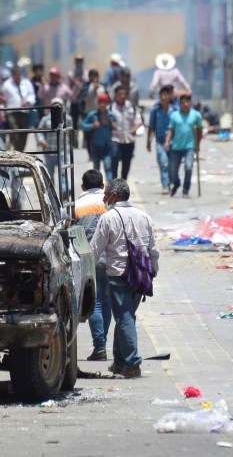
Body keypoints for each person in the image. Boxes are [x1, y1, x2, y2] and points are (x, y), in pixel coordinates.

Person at [89, 179, 160, 378]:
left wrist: (87, 269)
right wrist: (153, 270)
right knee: (126, 317)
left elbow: (95, 249)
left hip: (118, 275)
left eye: (106, 194)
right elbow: (153, 249)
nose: (104, 198)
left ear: (114, 195)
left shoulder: (108, 218)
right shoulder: (144, 217)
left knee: (124, 318)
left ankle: (132, 363)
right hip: (140, 276)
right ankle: (119, 362)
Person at [75, 170, 110, 361]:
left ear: (83, 187)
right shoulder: (109, 204)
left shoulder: (77, 205)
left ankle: (100, 346)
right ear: (103, 186)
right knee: (106, 301)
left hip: (88, 259)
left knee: (94, 303)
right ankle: (102, 343)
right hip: (111, 260)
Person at [165, 93, 203, 197]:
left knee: (189, 167)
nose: (185, 104)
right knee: (172, 171)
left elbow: (199, 131)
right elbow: (171, 130)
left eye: (187, 102)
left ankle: (186, 189)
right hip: (176, 147)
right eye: (183, 102)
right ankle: (176, 183)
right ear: (180, 103)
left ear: (190, 103)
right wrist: (167, 141)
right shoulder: (174, 116)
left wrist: (198, 144)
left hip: (189, 147)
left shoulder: (196, 115)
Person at [36, 98, 72, 194]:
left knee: (63, 173)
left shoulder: (67, 119)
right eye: (54, 105)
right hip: (49, 150)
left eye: (59, 106)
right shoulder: (45, 119)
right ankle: (51, 193)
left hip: (62, 150)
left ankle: (64, 192)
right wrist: (41, 139)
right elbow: (39, 131)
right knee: (49, 174)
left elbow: (70, 131)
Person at [81, 93, 117, 180]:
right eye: (100, 102)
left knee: (108, 166)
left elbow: (116, 128)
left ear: (107, 103)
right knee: (96, 168)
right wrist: (92, 126)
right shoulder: (92, 115)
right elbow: (83, 125)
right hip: (95, 145)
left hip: (107, 146)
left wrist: (113, 126)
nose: (102, 105)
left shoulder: (111, 116)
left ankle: (110, 188)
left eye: (104, 102)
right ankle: (96, 187)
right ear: (98, 103)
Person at [147, 85, 175, 194]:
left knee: (172, 165)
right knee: (163, 163)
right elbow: (151, 126)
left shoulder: (175, 111)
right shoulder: (155, 110)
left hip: (174, 142)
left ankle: (170, 181)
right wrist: (148, 142)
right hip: (160, 142)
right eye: (162, 95)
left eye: (166, 95)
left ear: (170, 96)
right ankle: (165, 185)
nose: (164, 97)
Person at [110, 85, 140, 180]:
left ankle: (123, 182)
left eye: (124, 94)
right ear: (116, 95)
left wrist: (135, 128)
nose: (122, 96)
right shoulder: (111, 108)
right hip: (115, 139)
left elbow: (138, 120)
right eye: (120, 94)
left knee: (126, 163)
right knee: (114, 159)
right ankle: (114, 181)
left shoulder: (132, 107)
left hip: (129, 140)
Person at [79, 70, 108, 150]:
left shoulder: (102, 87)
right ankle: (90, 153)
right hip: (89, 114)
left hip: (100, 114)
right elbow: (83, 99)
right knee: (89, 135)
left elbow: (107, 99)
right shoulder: (86, 86)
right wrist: (92, 89)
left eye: (96, 76)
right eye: (92, 76)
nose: (94, 78)